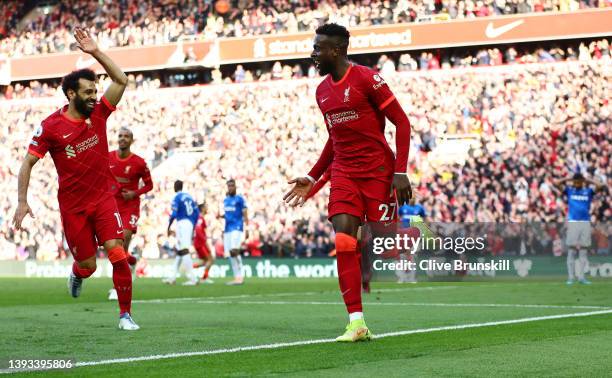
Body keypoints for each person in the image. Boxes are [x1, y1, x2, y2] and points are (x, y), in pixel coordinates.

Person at [284, 23, 412, 342]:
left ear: (337, 50)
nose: (313, 54)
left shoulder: (367, 79)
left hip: (378, 172)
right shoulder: (321, 91)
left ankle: (431, 239)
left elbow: (402, 123)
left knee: (387, 245)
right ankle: (356, 322)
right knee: (344, 241)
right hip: (344, 173)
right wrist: (313, 176)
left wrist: (400, 170)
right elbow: (334, 140)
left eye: (318, 48)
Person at [12, 28, 139, 330]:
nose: (95, 97)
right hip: (74, 208)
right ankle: (77, 273)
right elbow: (28, 162)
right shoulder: (51, 127)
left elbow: (122, 80)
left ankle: (125, 315)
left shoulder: (99, 115)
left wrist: (95, 52)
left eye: (96, 92)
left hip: (104, 199)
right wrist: (21, 201)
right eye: (88, 92)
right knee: (89, 265)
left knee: (118, 254)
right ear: (71, 94)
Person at [108, 127, 153, 300]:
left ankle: (116, 287)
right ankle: (132, 262)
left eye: (126, 136)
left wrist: (135, 193)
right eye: (120, 136)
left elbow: (149, 185)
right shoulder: (109, 158)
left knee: (122, 241)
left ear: (131, 140)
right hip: (112, 206)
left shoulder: (139, 163)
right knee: (114, 247)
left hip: (130, 207)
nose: (123, 139)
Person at [553, 173, 604, 285]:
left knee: (583, 250)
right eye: (575, 181)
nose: (577, 183)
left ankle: (581, 277)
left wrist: (588, 180)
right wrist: (568, 178)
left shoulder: (588, 191)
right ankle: (571, 277)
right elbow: (556, 183)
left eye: (579, 181)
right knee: (571, 250)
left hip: (585, 222)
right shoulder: (569, 190)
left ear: (582, 181)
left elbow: (601, 186)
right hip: (573, 222)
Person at [164, 180, 199, 285]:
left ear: (175, 187)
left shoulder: (177, 197)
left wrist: (169, 226)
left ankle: (193, 279)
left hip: (182, 223)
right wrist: (193, 225)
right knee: (180, 250)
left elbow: (174, 213)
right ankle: (172, 278)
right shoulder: (189, 197)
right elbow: (197, 213)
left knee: (184, 250)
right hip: (189, 223)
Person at [220, 179, 248, 285]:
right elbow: (228, 214)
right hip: (227, 229)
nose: (230, 188)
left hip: (237, 227)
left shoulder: (240, 199)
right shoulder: (225, 200)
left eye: (232, 186)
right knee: (230, 254)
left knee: (234, 251)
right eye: (229, 186)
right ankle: (237, 277)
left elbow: (245, 213)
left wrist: (247, 228)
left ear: (235, 187)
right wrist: (221, 216)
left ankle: (240, 277)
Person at [193, 202, 215, 284]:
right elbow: (199, 231)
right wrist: (206, 243)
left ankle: (190, 268)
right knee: (211, 259)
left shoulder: (200, 218)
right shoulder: (200, 218)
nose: (207, 208)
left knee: (205, 261)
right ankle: (204, 278)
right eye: (206, 207)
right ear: (202, 209)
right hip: (200, 243)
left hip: (199, 243)